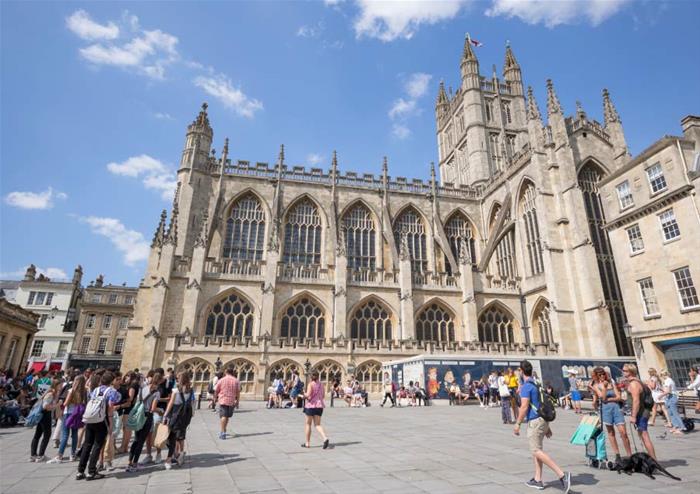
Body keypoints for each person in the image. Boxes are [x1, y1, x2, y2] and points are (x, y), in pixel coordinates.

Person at [514, 360, 571, 492]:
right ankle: (538, 479)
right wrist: (547, 426)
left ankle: (562, 475)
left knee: (535, 451)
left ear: (521, 372)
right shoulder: (536, 384)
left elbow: (524, 407)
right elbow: (540, 403)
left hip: (535, 421)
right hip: (542, 420)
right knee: (537, 451)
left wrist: (517, 424)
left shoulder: (526, 387)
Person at [76, 371, 120, 480]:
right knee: (97, 445)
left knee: (87, 445)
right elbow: (110, 408)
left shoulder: (95, 390)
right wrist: (110, 424)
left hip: (90, 419)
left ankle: (80, 471)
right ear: (112, 381)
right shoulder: (112, 392)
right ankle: (91, 472)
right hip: (102, 420)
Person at [589, 367, 632, 463]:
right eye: (599, 375)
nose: (602, 376)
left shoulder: (611, 383)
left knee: (623, 433)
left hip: (616, 409)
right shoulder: (596, 386)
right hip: (606, 410)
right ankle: (617, 455)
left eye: (603, 374)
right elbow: (602, 397)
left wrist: (609, 399)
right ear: (596, 376)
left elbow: (618, 397)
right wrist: (604, 388)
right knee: (611, 433)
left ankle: (630, 455)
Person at [126, 372, 162, 472]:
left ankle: (129, 462)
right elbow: (153, 408)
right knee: (141, 441)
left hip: (139, 415)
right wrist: (159, 411)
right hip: (147, 416)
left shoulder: (142, 388)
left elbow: (138, 401)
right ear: (159, 381)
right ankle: (134, 464)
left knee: (136, 439)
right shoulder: (156, 392)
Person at [48, 375, 87, 463]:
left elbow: (66, 403)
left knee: (65, 434)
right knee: (74, 434)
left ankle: (60, 455)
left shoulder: (71, 391)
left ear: (76, 382)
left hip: (68, 413)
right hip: (78, 414)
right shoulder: (84, 391)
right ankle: (72, 455)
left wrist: (60, 404)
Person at [622, 363, 657, 460]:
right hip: (642, 412)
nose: (623, 372)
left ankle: (654, 461)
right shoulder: (637, 381)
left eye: (625, 370)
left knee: (645, 436)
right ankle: (652, 459)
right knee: (642, 435)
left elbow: (636, 401)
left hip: (641, 413)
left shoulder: (634, 384)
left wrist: (633, 416)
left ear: (631, 372)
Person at [163, 372, 195, 470]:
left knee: (170, 437)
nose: (176, 380)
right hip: (185, 417)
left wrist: (165, 415)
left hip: (175, 416)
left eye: (178, 378)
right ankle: (179, 454)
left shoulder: (176, 391)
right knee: (180, 437)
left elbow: (171, 403)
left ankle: (170, 458)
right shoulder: (190, 390)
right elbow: (193, 403)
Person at [30, 378, 62, 462]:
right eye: (60, 385)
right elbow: (45, 406)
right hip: (44, 415)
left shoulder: (52, 393)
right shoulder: (50, 394)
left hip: (43, 415)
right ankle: (40, 455)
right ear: (56, 385)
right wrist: (57, 405)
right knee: (46, 435)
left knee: (38, 434)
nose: (61, 387)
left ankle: (33, 455)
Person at [300, 370, 330, 449]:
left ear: (311, 377)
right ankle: (325, 438)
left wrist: (303, 394)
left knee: (308, 424)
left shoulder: (310, 384)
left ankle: (307, 443)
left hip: (310, 406)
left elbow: (308, 395)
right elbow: (323, 396)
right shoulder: (321, 385)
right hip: (319, 406)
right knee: (317, 424)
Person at [214, 367, 240, 439]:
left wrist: (215, 398)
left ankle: (222, 432)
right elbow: (238, 392)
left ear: (226, 372)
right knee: (227, 416)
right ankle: (224, 429)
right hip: (231, 401)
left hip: (223, 400)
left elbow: (216, 390)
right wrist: (237, 402)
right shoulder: (236, 381)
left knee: (224, 416)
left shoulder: (221, 380)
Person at [658, 369, 686, 434]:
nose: (661, 377)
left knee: (675, 413)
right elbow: (666, 390)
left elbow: (668, 391)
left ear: (664, 375)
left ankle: (681, 427)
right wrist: (661, 389)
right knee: (671, 413)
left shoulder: (668, 380)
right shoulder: (666, 381)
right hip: (668, 398)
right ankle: (676, 426)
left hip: (672, 397)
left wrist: (660, 396)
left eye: (661, 375)